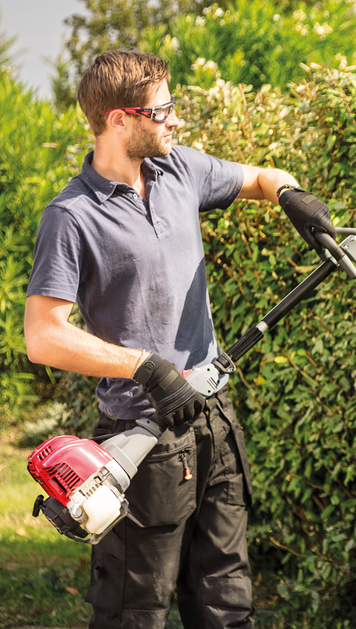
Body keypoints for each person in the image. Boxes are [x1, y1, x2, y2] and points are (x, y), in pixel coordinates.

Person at [24, 50, 336, 628]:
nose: (175, 120)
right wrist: (146, 368)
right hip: (142, 440)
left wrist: (293, 197)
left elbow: (262, 178)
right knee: (133, 614)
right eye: (162, 110)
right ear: (119, 119)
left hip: (214, 422)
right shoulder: (71, 217)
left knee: (226, 606)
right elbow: (43, 337)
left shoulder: (179, 171)